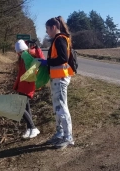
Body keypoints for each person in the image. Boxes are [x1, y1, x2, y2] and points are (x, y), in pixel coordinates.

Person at [39, 16, 75, 149]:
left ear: (53, 27)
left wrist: (46, 62)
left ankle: (68, 137)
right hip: (56, 78)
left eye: (47, 29)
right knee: (57, 108)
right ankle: (60, 134)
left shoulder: (60, 39)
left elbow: (62, 58)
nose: (47, 32)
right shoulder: (57, 39)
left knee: (62, 108)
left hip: (60, 78)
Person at [13, 39, 40, 139]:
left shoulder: (27, 57)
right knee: (26, 107)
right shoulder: (23, 56)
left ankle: (33, 128)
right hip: (23, 84)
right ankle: (29, 128)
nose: (18, 54)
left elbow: (30, 70)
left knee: (21, 107)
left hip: (27, 84)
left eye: (18, 52)